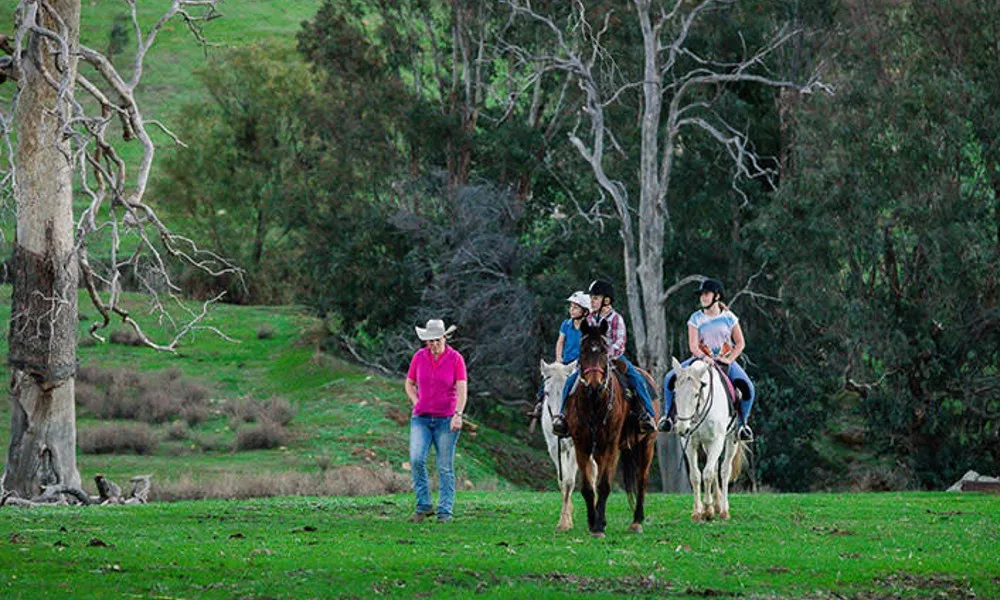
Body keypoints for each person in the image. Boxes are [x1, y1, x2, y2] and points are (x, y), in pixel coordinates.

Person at [551, 279, 658, 437]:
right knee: (570, 381)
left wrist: (604, 356)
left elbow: (620, 344)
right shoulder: (589, 319)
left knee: (637, 379)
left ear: (606, 300)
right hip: (592, 361)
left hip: (614, 359)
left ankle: (648, 415)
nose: (591, 301)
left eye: (595, 298)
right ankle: (562, 416)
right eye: (591, 298)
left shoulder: (616, 319)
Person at [657, 278, 756, 441]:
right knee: (669, 378)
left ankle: (742, 425)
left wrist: (729, 359)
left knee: (749, 388)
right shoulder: (695, 318)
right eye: (701, 294)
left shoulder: (729, 317)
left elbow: (740, 343)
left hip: (724, 361)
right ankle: (668, 417)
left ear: (716, 296)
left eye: (706, 294)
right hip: (700, 360)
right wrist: (704, 357)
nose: (702, 297)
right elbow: (693, 346)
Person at [404, 319, 468, 523]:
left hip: (446, 419)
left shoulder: (456, 359)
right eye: (429, 340)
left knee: (445, 466)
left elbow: (461, 389)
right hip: (421, 418)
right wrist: (416, 401)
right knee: (416, 459)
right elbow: (409, 383)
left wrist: (458, 414)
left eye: (437, 340)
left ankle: (445, 511)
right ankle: (423, 505)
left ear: (445, 338)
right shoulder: (419, 358)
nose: (433, 344)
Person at [529, 291, 590, 420]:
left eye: (576, 307)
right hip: (565, 361)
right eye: (571, 307)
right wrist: (558, 358)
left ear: (585, 311)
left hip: (580, 363)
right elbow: (560, 342)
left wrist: (580, 362)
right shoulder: (566, 324)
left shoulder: (589, 328)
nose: (571, 310)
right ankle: (540, 404)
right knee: (549, 378)